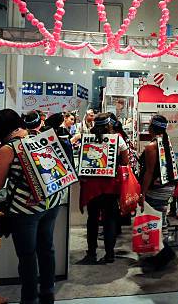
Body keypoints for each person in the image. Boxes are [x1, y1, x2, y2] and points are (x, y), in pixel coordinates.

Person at [0, 109, 63, 304]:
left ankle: (29, 299)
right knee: (47, 249)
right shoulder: (38, 137)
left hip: (24, 210)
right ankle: (48, 293)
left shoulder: (9, 149)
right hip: (51, 203)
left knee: (27, 256)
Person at [78, 113, 129, 265]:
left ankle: (91, 253)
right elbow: (125, 162)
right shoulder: (118, 139)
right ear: (109, 125)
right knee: (110, 220)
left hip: (92, 186)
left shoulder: (86, 138)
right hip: (110, 185)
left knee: (92, 220)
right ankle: (109, 254)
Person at [138, 115, 178, 271]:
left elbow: (149, 173)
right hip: (168, 187)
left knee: (155, 221)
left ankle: (163, 254)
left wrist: (142, 193)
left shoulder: (151, 147)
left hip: (157, 189)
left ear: (151, 127)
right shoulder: (166, 142)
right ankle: (163, 252)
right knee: (161, 219)